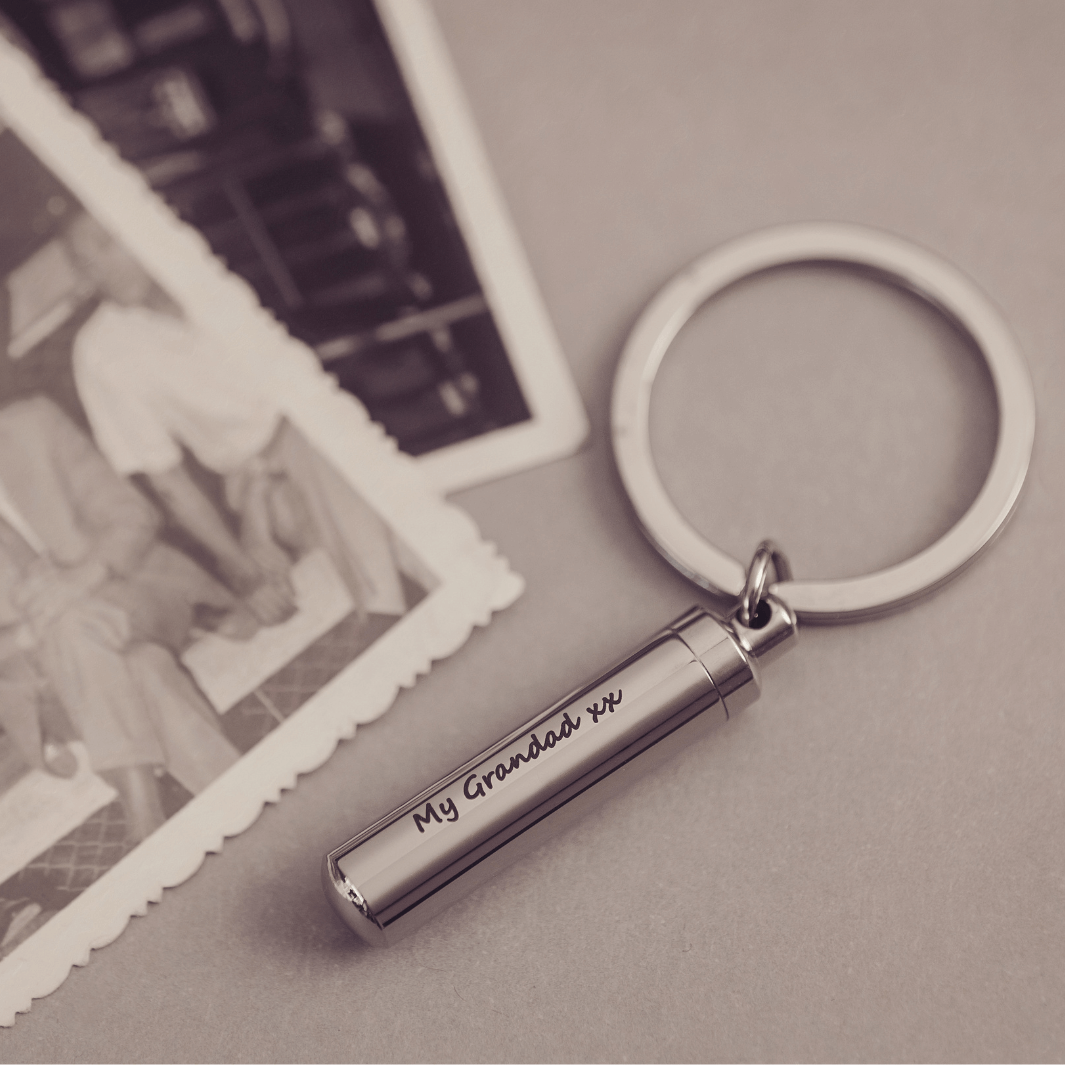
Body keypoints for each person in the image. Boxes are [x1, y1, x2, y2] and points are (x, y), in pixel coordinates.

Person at [64, 214, 416, 623]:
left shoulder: (216, 265)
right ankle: (394, 601)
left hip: (319, 441)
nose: (97, 269)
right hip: (255, 472)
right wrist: (246, 568)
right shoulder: (102, 351)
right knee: (333, 467)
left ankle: (385, 609)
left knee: (327, 465)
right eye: (83, 262)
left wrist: (259, 516)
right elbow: (169, 483)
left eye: (105, 243)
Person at [0, 392, 243, 842]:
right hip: (44, 677)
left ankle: (142, 815)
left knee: (74, 621)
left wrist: (81, 580)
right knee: (144, 667)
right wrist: (29, 632)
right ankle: (245, 804)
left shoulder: (33, 424)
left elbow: (133, 515)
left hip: (136, 596)